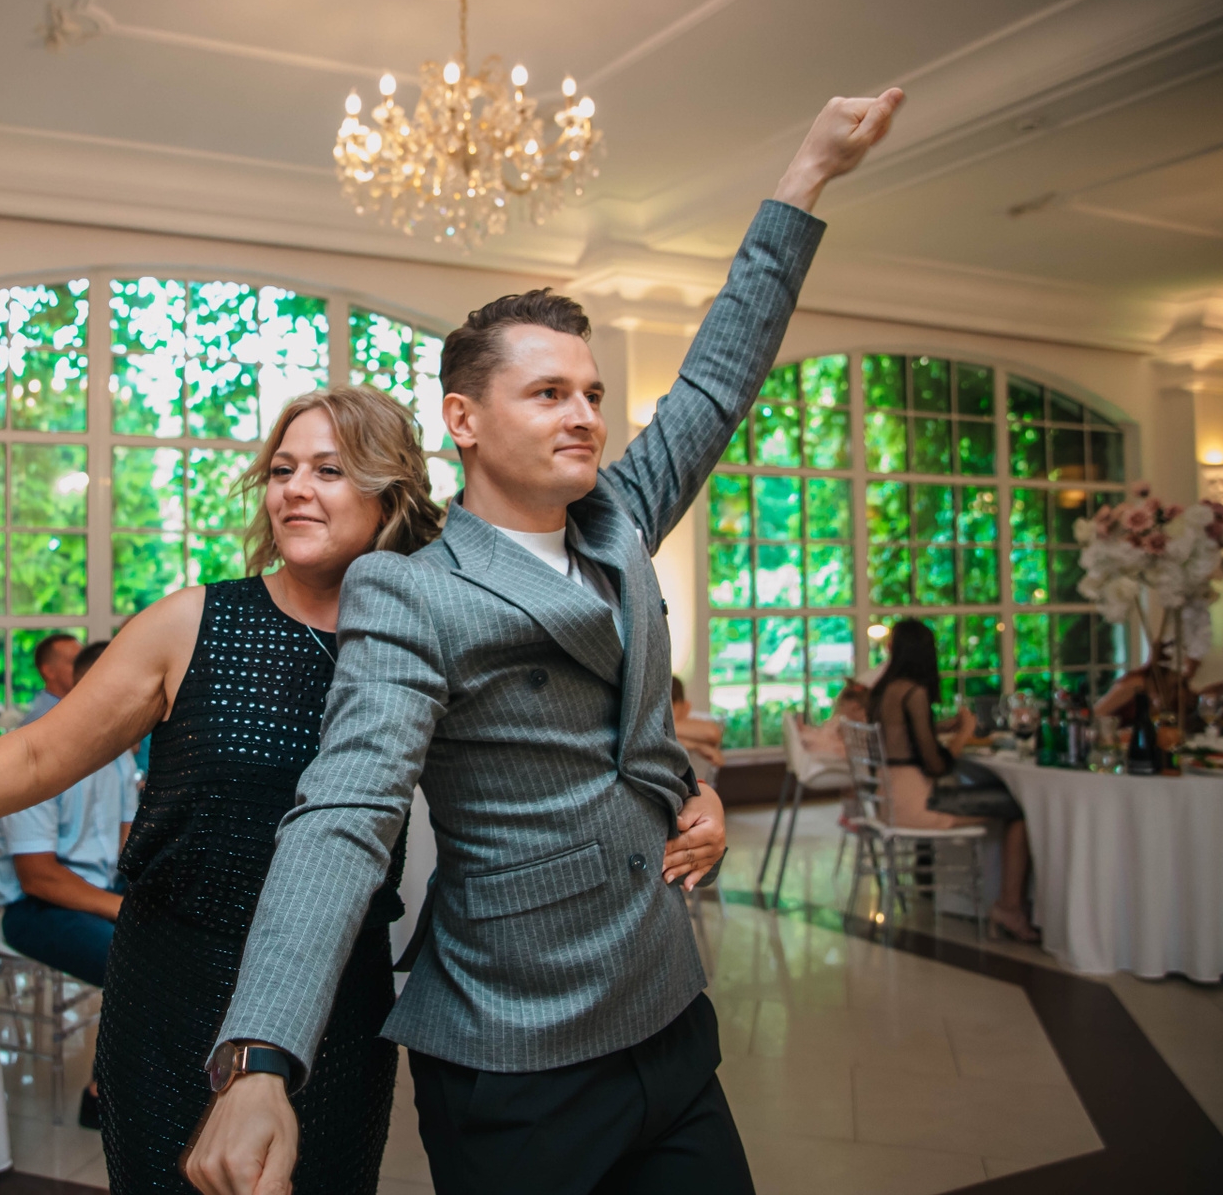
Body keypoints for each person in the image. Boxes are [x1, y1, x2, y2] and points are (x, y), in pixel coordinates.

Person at [185, 89, 904, 1195]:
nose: (585, 415)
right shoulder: (411, 591)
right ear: (465, 420)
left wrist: (804, 175)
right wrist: (260, 1055)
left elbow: (720, 377)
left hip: (668, 1008)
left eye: (593, 393)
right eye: (550, 392)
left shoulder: (619, 517)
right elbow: (345, 812)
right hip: (514, 1049)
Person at [0, 385, 732, 1194]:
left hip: (338, 1007)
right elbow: (37, 758)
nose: (295, 489)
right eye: (282, 470)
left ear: (389, 492)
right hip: (173, 988)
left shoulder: (431, 631)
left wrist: (689, 788)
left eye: (329, 470)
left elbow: (566, 739)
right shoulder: (193, 624)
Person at [0, 639, 140, 1129]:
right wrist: (120, 909)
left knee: (178, 931)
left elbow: (126, 845)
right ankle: (104, 1095)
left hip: (97, 889)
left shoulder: (118, 753)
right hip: (35, 907)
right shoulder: (34, 749)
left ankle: (154, 1081)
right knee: (134, 958)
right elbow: (37, 876)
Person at [865, 618, 1036, 943]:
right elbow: (937, 767)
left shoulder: (883, 690)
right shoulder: (913, 692)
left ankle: (999, 902)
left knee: (998, 795)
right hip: (918, 804)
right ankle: (1009, 907)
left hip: (888, 800)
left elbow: (901, 733)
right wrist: (964, 733)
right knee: (1018, 807)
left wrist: (943, 726)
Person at [1093, 640, 1199, 728]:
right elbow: (1097, 713)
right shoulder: (1137, 684)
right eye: (1192, 657)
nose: (1198, 663)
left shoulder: (1176, 691)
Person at [670, 676, 726, 779]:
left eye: (671, 708)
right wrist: (698, 745)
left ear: (685, 706)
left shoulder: (694, 720)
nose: (665, 716)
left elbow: (713, 733)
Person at [22, 633, 80, 723]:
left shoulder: (75, 708)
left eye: (83, 661)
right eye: (74, 662)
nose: (83, 667)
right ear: (49, 671)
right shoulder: (41, 720)